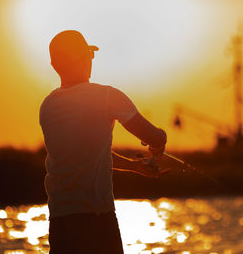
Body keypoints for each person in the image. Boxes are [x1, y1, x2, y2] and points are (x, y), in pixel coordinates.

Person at [39, 30, 167, 254]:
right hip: (97, 221)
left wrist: (134, 166)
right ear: (83, 58)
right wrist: (160, 142)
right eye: (90, 53)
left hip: (60, 224)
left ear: (54, 64)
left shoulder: (48, 106)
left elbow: (87, 153)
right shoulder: (107, 97)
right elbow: (152, 136)